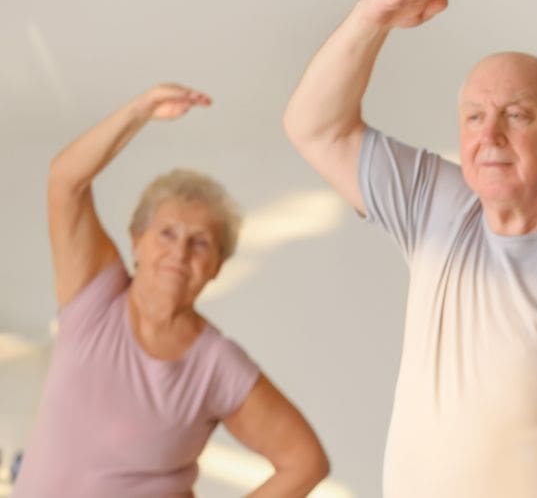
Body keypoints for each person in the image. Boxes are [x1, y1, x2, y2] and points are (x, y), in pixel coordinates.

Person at [282, 0, 537, 495]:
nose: (490, 135)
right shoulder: (436, 202)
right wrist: (371, 16)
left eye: (517, 115)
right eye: (474, 117)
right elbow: (316, 128)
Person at [19, 83, 329, 497]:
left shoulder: (217, 366)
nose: (179, 253)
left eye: (200, 242)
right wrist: (138, 111)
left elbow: (305, 463)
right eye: (167, 233)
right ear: (137, 241)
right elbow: (65, 181)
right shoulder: (94, 296)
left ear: (216, 266)